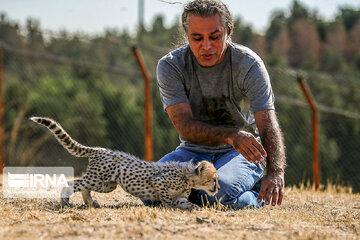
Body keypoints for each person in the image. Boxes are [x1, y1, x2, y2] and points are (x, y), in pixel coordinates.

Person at [155, 0, 286, 209]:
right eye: (197, 38)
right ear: (186, 34)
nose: (206, 46)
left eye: (214, 37)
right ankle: (221, 196)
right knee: (151, 188)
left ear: (228, 30)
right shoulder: (171, 66)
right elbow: (185, 127)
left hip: (243, 153)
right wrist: (231, 135)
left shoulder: (249, 65)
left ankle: (254, 194)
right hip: (192, 151)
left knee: (214, 194)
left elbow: (267, 123)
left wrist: (275, 173)